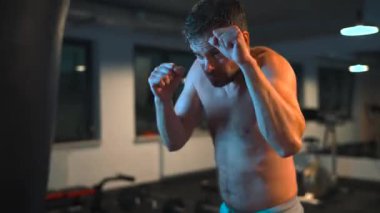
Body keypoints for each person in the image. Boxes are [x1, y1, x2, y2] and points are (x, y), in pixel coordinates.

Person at [148, 0, 306, 212]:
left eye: (216, 53)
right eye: (198, 55)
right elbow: (173, 141)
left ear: (243, 40)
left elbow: (288, 145)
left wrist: (246, 63)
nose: (208, 67)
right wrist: (163, 100)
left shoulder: (271, 66)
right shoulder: (198, 72)